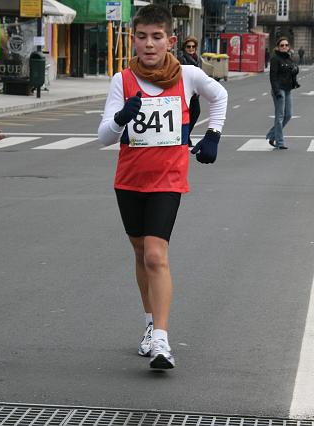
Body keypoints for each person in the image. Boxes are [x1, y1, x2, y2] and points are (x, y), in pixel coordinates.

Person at [97, 4, 227, 370]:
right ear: (133, 39)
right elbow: (102, 137)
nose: (149, 44)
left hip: (168, 179)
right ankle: (150, 324)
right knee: (140, 254)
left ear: (170, 40)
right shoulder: (122, 80)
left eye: (157, 37)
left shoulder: (187, 75)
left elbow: (220, 98)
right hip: (130, 179)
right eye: (142, 37)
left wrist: (213, 135)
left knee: (156, 254)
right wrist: (121, 120)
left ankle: (162, 342)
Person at [266, 37, 299, 149]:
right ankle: (279, 142)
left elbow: (293, 71)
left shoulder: (290, 58)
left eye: (286, 45)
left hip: (288, 89)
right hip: (279, 89)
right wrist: (276, 91)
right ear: (278, 47)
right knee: (279, 116)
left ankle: (271, 135)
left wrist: (295, 70)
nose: (284, 47)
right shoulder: (275, 59)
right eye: (282, 45)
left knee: (288, 115)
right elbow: (273, 77)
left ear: (289, 47)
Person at [176, 36, 202, 147]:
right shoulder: (181, 58)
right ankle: (185, 137)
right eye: (188, 46)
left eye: (193, 46)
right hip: (185, 90)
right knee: (190, 113)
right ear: (184, 47)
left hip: (194, 90)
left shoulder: (197, 58)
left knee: (195, 112)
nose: (191, 48)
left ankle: (186, 136)